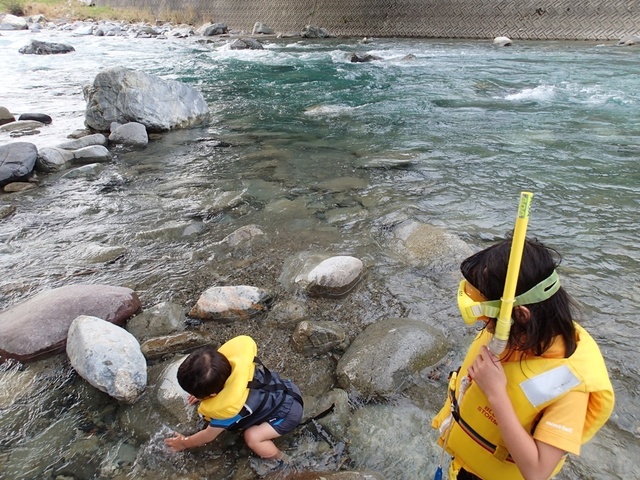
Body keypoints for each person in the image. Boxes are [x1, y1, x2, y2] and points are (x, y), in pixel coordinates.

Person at [432, 238, 615, 480]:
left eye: (486, 316)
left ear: (520, 314)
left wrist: (496, 393)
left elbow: (538, 471)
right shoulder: (517, 335)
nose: (483, 326)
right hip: (465, 467)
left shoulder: (570, 384)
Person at [164, 335, 303, 467]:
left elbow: (206, 436)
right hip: (287, 389)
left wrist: (184, 443)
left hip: (288, 414)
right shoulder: (233, 369)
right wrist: (202, 393)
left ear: (213, 395)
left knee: (252, 437)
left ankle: (283, 461)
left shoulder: (228, 411)